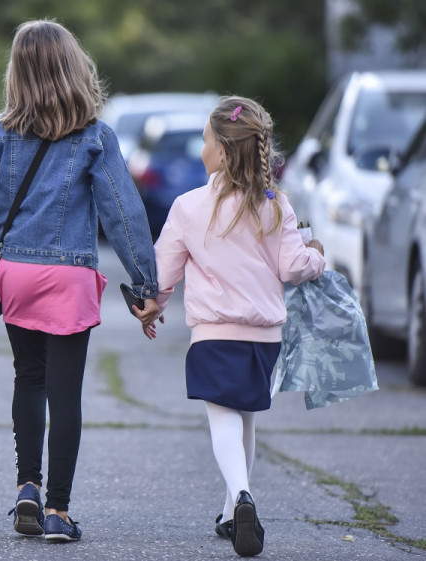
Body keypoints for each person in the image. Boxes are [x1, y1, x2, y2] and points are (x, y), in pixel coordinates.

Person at [0, 20, 159, 542]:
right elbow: (123, 215)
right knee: (66, 391)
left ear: (16, 73)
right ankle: (59, 512)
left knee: (29, 377)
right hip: (68, 274)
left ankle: (27, 487)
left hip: (15, 273)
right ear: (75, 67)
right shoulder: (95, 136)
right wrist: (144, 284)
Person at [136, 96, 325, 557]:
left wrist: (152, 306)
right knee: (245, 419)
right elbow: (293, 267)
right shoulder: (275, 203)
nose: (202, 149)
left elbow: (164, 273)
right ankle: (228, 512)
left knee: (222, 417)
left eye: (204, 141)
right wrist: (317, 253)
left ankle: (242, 496)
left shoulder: (189, 206)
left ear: (220, 151)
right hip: (264, 339)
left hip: (215, 333)